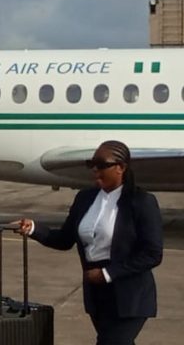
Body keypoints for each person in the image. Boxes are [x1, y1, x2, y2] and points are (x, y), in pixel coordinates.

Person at [16, 141, 163, 345]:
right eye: (92, 163)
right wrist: (34, 228)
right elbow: (64, 239)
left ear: (120, 167)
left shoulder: (141, 201)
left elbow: (152, 253)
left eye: (101, 164)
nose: (95, 169)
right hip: (97, 295)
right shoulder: (85, 198)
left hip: (130, 295)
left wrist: (107, 274)